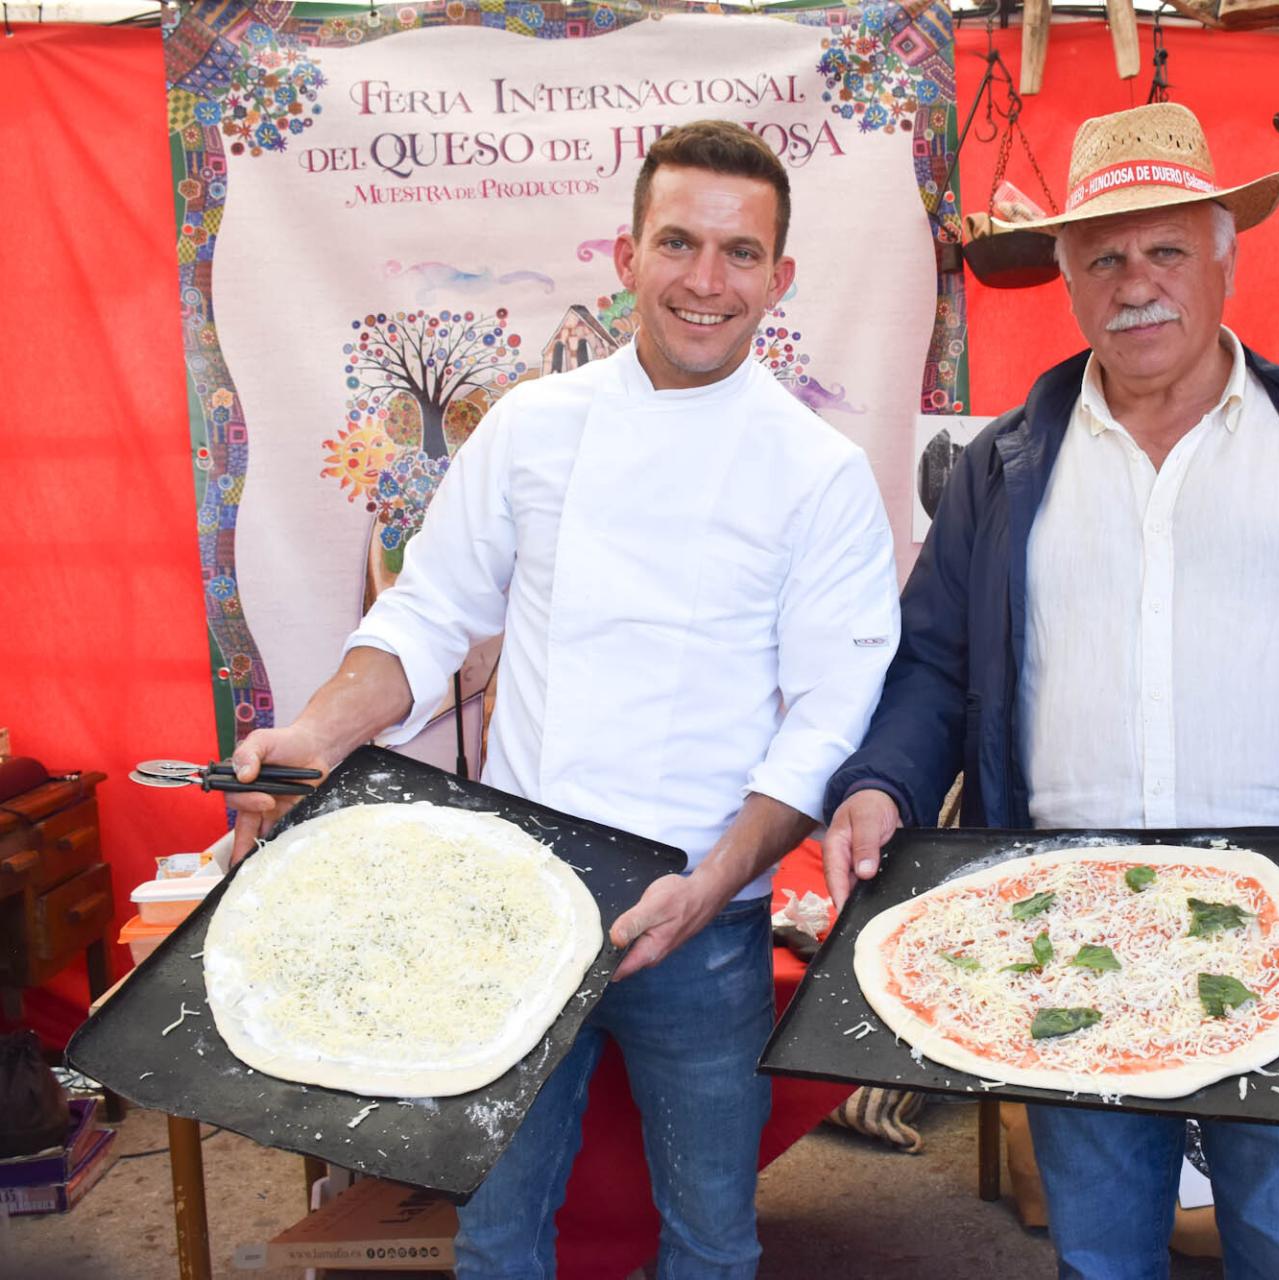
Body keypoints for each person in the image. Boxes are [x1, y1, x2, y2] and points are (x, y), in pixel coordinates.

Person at [822, 103, 1279, 1280]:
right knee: (1099, 1250)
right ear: (1067, 280)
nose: (1135, 284)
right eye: (1103, 258)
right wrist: (882, 784)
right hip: (1067, 918)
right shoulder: (1003, 465)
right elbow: (934, 664)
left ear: (1225, 258)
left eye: (1165, 249)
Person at [229, 119, 900, 1280]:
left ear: (779, 277)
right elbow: (426, 615)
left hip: (706, 921)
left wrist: (710, 885)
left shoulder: (818, 472)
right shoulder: (533, 428)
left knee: (709, 1240)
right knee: (497, 1233)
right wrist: (312, 734)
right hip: (520, 899)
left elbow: (825, 719)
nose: (705, 279)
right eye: (677, 242)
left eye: (739, 252)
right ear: (627, 254)